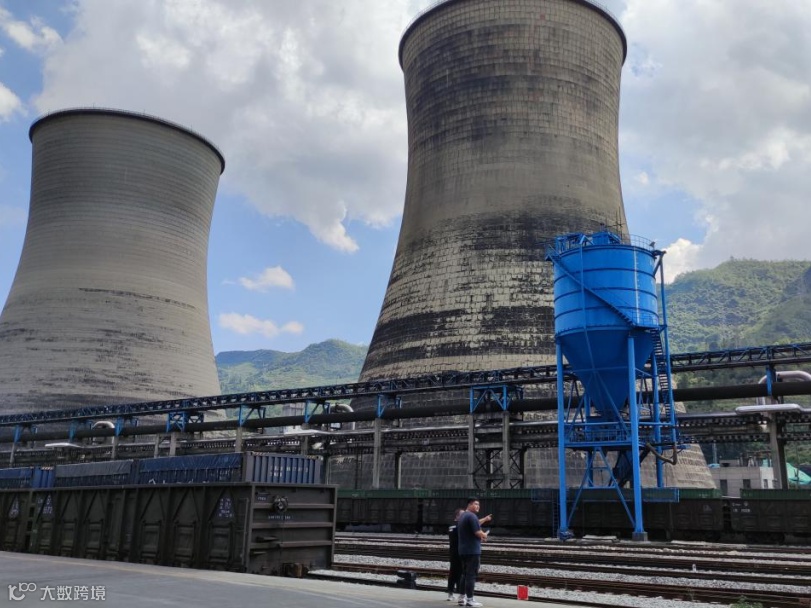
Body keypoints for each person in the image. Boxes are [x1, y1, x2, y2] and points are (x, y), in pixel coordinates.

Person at [456, 497, 491, 607]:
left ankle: (461, 598)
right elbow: (477, 532)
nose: (478, 506)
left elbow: (472, 528)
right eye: (476, 504)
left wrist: (484, 520)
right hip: (472, 550)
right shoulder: (472, 516)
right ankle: (470, 600)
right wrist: (484, 535)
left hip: (463, 550)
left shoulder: (463, 516)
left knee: (465, 574)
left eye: (478, 505)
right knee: (471, 575)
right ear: (470, 504)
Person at [446, 508, 464, 601]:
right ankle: (456, 593)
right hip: (458, 553)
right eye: (462, 515)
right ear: (457, 516)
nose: (464, 516)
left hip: (456, 553)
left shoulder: (453, 526)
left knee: (455, 573)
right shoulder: (456, 526)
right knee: (457, 573)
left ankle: (452, 593)